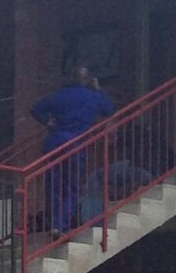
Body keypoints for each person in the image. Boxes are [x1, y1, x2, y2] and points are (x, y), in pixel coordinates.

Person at [28, 66, 115, 228]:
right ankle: (60, 225)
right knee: (72, 189)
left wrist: (47, 122)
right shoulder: (94, 97)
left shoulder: (60, 95)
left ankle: (53, 222)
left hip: (54, 144)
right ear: (88, 79)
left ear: (71, 78)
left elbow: (35, 109)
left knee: (53, 188)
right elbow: (109, 109)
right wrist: (98, 89)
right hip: (76, 146)